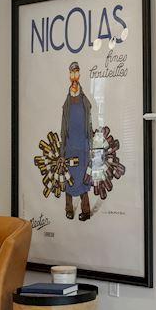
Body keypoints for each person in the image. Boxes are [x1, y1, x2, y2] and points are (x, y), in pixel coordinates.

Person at [60, 61, 94, 221]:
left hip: (83, 147)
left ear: (79, 75)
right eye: (71, 73)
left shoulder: (85, 102)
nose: (74, 76)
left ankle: (86, 211)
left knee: (82, 179)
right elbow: (62, 129)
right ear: (69, 76)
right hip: (69, 148)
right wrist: (62, 151)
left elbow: (90, 125)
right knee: (69, 179)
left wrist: (91, 147)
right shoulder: (66, 105)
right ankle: (68, 209)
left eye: (76, 73)